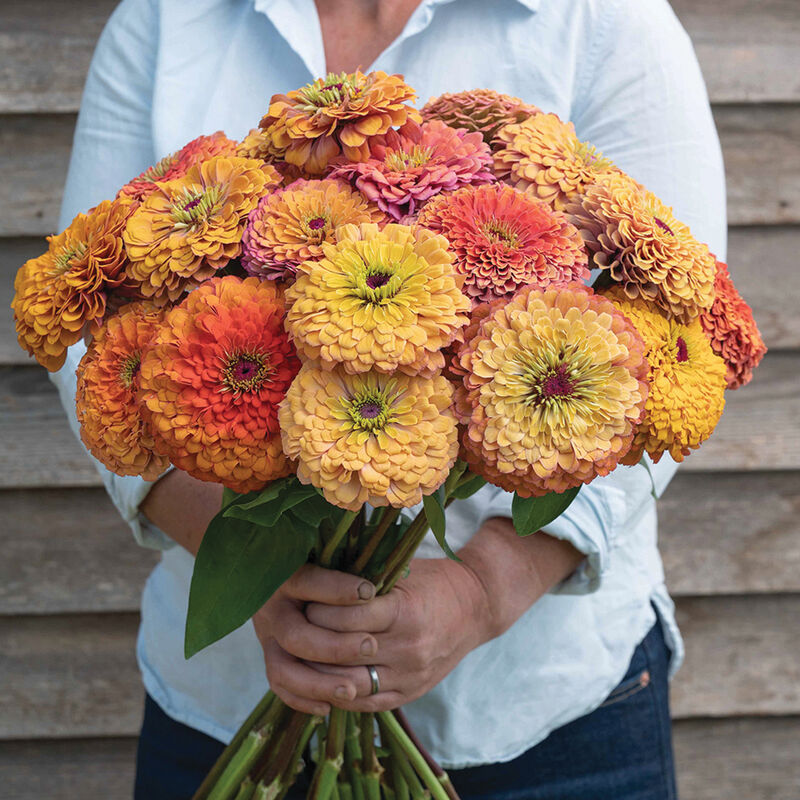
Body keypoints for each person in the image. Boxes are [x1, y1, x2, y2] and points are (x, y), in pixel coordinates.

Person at [51, 1, 726, 798]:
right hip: (233, 698)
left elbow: (677, 343)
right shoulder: (167, 16)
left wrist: (481, 591)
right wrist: (260, 574)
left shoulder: (606, 20)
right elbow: (86, 333)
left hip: (544, 713)